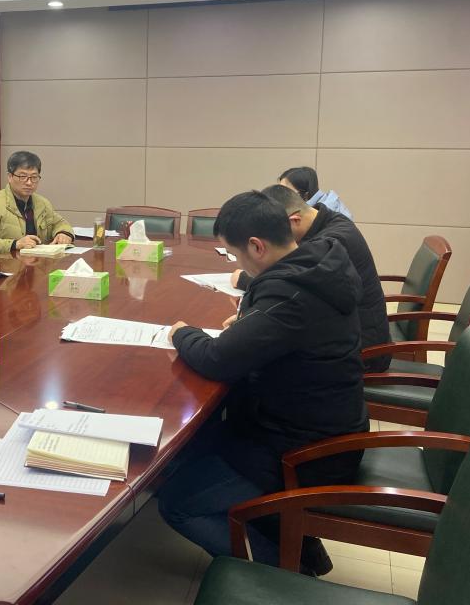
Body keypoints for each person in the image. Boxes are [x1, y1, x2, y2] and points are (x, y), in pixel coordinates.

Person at [159, 191, 368, 573]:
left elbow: (217, 359)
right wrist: (251, 324)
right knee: (191, 447)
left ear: (257, 246)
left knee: (177, 502)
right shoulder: (315, 265)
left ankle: (283, 575)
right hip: (318, 426)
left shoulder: (291, 295)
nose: (239, 264)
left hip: (306, 455)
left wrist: (182, 333)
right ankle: (302, 549)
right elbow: (284, 332)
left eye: (236, 254)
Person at [232, 184, 391, 372]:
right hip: (348, 335)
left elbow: (290, 288)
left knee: (254, 363)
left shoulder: (329, 244)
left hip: (363, 351)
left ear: (294, 220)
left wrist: (245, 281)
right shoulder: (329, 220)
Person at [0, 151, 75, 255]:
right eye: (22, 176)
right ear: (10, 177)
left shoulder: (42, 203)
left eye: (34, 177)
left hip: (38, 262)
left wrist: (64, 233)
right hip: (3, 263)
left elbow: (60, 223)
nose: (29, 182)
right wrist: (15, 244)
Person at [278, 166, 353, 219]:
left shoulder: (324, 214)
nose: (280, 196)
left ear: (305, 195)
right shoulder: (326, 204)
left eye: (286, 192)